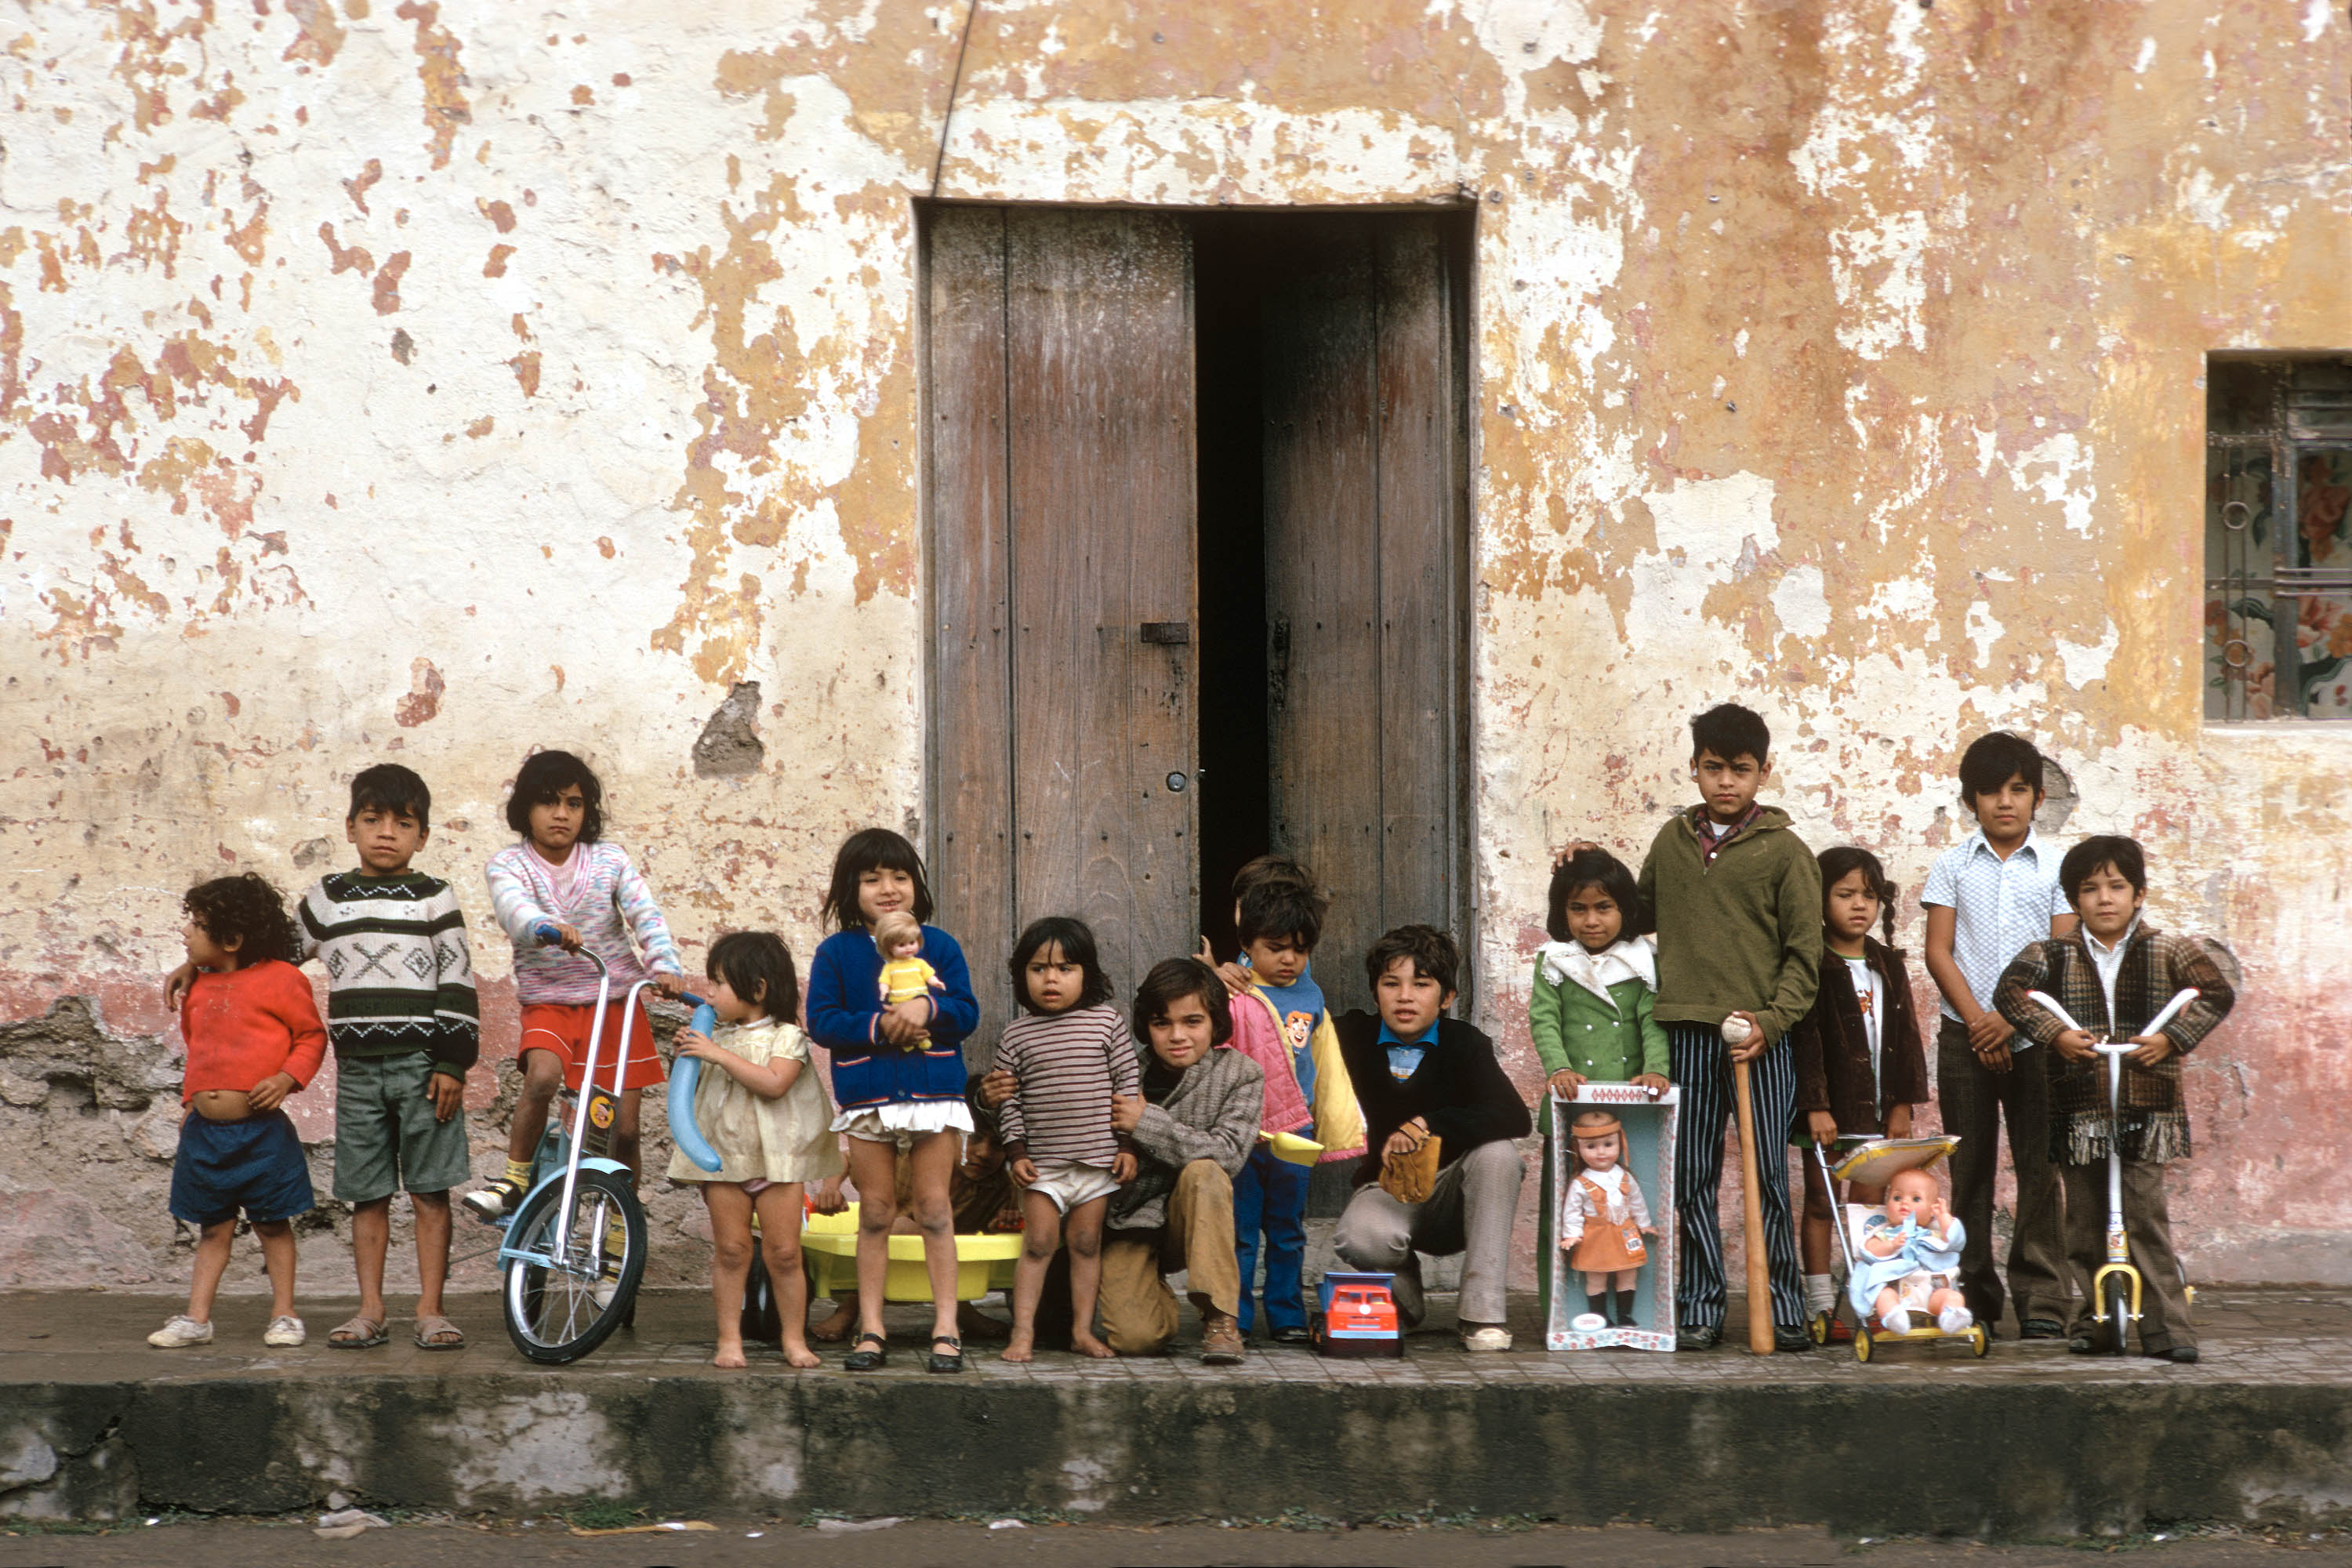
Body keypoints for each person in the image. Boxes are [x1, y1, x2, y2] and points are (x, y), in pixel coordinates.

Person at [164, 764, 480, 1350]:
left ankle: (432, 1309)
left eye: (403, 823)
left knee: (431, 1190)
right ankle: (370, 1310)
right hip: (358, 1073)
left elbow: (457, 980)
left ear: (423, 836)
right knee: (368, 1191)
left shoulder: (436, 897)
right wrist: (200, 963)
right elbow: (262, 949)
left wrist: (452, 1064)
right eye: (373, 819)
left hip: (422, 1067)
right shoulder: (329, 899)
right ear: (351, 827)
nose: (387, 832)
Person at [1995, 835, 2236, 1363]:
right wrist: (2053, 1034)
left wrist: (2172, 1038)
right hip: (2080, 1107)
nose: (2105, 898)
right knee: (2084, 1220)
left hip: (2146, 1106)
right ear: (2073, 899)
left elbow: (2218, 993)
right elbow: (2010, 992)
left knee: (2145, 1216)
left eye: (2117, 886)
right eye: (2090, 889)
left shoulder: (2167, 949)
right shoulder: (2053, 955)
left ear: (2139, 893)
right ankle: (2098, 1321)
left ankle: (2168, 1328)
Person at [1635, 702, 1820, 1352]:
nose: (1726, 783)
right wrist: (1585, 865)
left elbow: (1805, 956)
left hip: (1760, 1040)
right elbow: (1635, 912)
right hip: (1685, 1027)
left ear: (1763, 773)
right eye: (1713, 768)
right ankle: (1701, 1305)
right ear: (1694, 769)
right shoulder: (1670, 843)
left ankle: (1784, 1306)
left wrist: (1773, 1020)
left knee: (1768, 1173)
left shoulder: (1787, 853)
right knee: (1691, 1178)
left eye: (1740, 770)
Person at [467, 751, 687, 1258]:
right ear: (526, 810)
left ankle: (618, 1218)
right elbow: (512, 908)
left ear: (587, 812)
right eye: (548, 803)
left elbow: (643, 913)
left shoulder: (610, 860)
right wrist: (542, 926)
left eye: (573, 803)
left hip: (614, 1003)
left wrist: (665, 965)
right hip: (550, 1004)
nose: (561, 814)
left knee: (623, 1130)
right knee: (542, 1078)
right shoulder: (509, 864)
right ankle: (515, 1180)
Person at [804, 828, 981, 1374]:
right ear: (849, 889)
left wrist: (930, 1010)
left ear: (916, 885)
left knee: (933, 1209)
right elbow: (823, 1022)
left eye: (899, 876)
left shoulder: (941, 946)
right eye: (872, 878)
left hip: (932, 1095)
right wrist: (880, 1024)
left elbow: (968, 1012)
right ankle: (871, 1326)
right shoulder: (836, 952)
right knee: (876, 1213)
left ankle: (946, 1327)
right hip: (869, 1097)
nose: (888, 888)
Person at [1919, 731, 2076, 1339]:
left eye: (2017, 790)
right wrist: (1980, 1023)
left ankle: (2041, 1301)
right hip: (1965, 1038)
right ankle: (1973, 1296)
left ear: (2038, 797)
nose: (2004, 803)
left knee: (2040, 1168)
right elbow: (1938, 951)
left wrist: (2011, 1018)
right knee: (1971, 1172)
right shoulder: (1953, 865)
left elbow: (2063, 954)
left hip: (2039, 1038)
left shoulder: (2060, 866)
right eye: (1989, 791)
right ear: (1971, 799)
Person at [147, 873, 327, 1349]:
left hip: (263, 1134)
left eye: (198, 925)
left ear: (231, 939)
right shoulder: (199, 987)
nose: (186, 933)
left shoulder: (284, 981)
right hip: (206, 1136)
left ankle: (285, 1314)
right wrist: (193, 1101)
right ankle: (197, 1319)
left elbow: (311, 1036)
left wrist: (287, 1078)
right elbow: (200, 1048)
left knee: (273, 1224)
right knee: (213, 1229)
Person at [1331, 925, 1530, 1352]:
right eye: (1391, 983)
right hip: (1388, 1190)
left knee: (1499, 1154)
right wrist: (1240, 978)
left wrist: (1428, 1123)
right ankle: (1403, 1304)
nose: (1405, 996)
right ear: (1375, 991)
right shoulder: (1351, 1036)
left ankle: (1481, 1315)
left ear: (1447, 998)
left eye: (1421, 985)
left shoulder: (1466, 1044)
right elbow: (1291, 1025)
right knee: (1358, 1236)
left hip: (1455, 1196)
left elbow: (1513, 1115)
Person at [667, 931, 844, 1368]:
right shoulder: (713, 1036)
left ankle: (793, 1339)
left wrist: (715, 1054)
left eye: (720, 983)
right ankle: (729, 1339)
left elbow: (774, 1084)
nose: (711, 993)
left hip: (778, 1161)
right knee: (731, 1251)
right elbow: (690, 1092)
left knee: (784, 1253)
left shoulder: (788, 1037)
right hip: (724, 1159)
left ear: (758, 988)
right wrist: (688, 1054)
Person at [1789, 845, 1928, 1341]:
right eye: (1844, 894)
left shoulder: (1887, 963)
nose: (1858, 906)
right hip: (1828, 1113)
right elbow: (1804, 1040)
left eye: (1868, 896)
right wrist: (1816, 1105)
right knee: (1822, 1205)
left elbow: (1907, 1036)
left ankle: (1861, 1301)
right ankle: (1820, 1302)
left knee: (1868, 1208)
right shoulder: (1812, 963)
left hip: (1876, 1111)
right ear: (1819, 900)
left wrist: (1902, 1104)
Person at [1098, 958, 1265, 1363]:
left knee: (1206, 1171)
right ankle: (1151, 1295)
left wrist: (1146, 1123)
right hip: (1129, 1218)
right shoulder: (1120, 1074)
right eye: (1162, 1023)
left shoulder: (1241, 1074)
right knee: (1137, 1340)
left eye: (1193, 1022)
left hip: (1194, 1216)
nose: (1177, 1036)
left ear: (1215, 1023)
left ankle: (1220, 1319)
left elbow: (1228, 1154)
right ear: (1146, 1026)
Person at [1219, 873, 1361, 1342]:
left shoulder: (1310, 995)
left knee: (1287, 1228)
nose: (1288, 959)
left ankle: (1285, 1315)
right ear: (1247, 943)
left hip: (1297, 1130)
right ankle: (1233, 1319)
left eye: (1299, 949)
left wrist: (1331, 1122)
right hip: (1241, 1133)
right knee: (1239, 1232)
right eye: (1275, 946)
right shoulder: (1231, 988)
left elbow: (1323, 1062)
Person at [995, 916, 1141, 1363]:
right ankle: (1022, 1334)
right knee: (1038, 1244)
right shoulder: (1016, 1035)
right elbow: (1008, 1102)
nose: (1051, 978)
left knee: (1085, 1244)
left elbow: (1127, 1084)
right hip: (1043, 1166)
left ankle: (1081, 1330)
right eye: (1038, 968)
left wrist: (1128, 1146)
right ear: (1023, 976)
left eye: (1065, 968)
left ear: (1088, 975)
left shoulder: (1107, 1023)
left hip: (1097, 1163)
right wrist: (1015, 1151)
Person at [1529, 846, 1669, 1308]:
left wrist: (1655, 1071)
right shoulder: (1554, 960)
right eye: (1579, 908)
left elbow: (1651, 1021)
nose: (1592, 920)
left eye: (1604, 907)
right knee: (1564, 1206)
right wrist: (1559, 1069)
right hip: (1572, 1103)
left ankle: (1637, 1306)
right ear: (1562, 911)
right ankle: (1561, 1309)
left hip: (1628, 1107)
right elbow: (1544, 1020)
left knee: (1627, 1201)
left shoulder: (1641, 960)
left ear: (1625, 909)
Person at [808, 1076, 1024, 1346]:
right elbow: (846, 1159)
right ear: (950, 1136)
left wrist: (1003, 1222)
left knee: (945, 1241)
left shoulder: (998, 1185)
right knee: (901, 1227)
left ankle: (961, 1310)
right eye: (976, 1139)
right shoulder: (912, 1160)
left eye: (998, 1147)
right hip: (886, 1250)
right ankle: (850, 1309)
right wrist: (830, 1188)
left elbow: (994, 1236)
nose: (983, 1153)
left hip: (946, 1265)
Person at [1559, 1109, 1657, 1327]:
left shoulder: (1624, 1177)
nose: (1601, 1153)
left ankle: (1625, 1316)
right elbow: (1572, 1212)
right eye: (1591, 1147)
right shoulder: (1580, 1183)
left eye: (1608, 1144)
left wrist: (1644, 1224)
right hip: (1596, 1236)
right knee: (1596, 1278)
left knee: (1628, 1274)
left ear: (1620, 1143)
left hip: (1625, 1233)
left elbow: (1637, 1201)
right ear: (1578, 1148)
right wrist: (1572, 1235)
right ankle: (1601, 1318)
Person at [1848, 1168, 1969, 1336]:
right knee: (1884, 1296)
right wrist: (1891, 1246)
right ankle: (1894, 1316)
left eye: (1916, 1199)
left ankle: (1951, 1316)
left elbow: (1955, 1241)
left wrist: (1944, 1217)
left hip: (1932, 1291)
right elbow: (1868, 1250)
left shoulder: (1934, 1234)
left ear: (1931, 1209)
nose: (1904, 1203)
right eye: (1897, 1198)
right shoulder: (1885, 1232)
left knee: (1954, 1297)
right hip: (1897, 1288)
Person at [874, 910, 946, 1006]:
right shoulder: (890, 967)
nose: (908, 948)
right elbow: (884, 981)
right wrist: (884, 990)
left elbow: (928, 975)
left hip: (920, 1001)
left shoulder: (920, 963)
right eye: (901, 945)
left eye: (912, 943)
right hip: (898, 1002)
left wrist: (935, 982)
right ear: (889, 948)